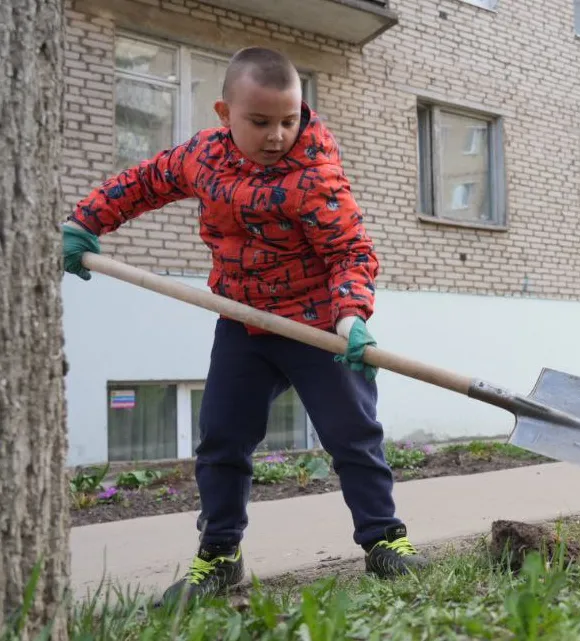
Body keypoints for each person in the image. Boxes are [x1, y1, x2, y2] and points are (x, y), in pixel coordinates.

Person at [60, 46, 428, 605]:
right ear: (223, 112)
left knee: (352, 435)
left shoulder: (315, 176)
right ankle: (220, 556)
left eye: (289, 119)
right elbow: (144, 181)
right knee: (223, 439)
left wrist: (352, 315)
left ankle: (385, 541)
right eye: (260, 121)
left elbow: (351, 252)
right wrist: (87, 219)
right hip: (243, 324)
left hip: (317, 327)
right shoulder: (202, 158)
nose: (278, 134)